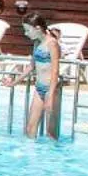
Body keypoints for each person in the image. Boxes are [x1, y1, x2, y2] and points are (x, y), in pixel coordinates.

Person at [21, 11, 63, 140]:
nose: (26, 33)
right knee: (30, 129)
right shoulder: (37, 43)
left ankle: (52, 159)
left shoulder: (52, 43)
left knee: (51, 133)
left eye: (28, 30)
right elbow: (31, 66)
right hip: (39, 88)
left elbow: (55, 70)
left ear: (38, 28)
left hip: (52, 90)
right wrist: (14, 82)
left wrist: (50, 95)